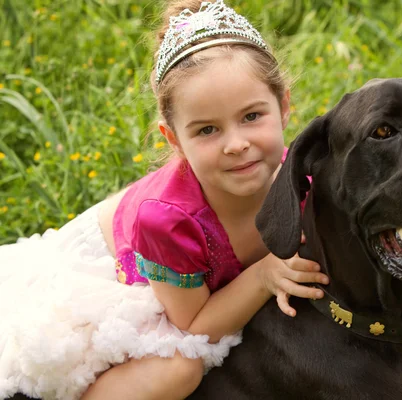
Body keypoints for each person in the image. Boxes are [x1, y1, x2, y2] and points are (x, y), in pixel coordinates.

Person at [0, 1, 329, 399]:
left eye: (252, 117)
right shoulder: (167, 220)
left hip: (183, 280)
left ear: (284, 106)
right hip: (129, 282)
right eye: (208, 129)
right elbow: (193, 325)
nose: (237, 144)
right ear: (174, 139)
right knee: (178, 370)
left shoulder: (301, 176)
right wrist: (262, 276)